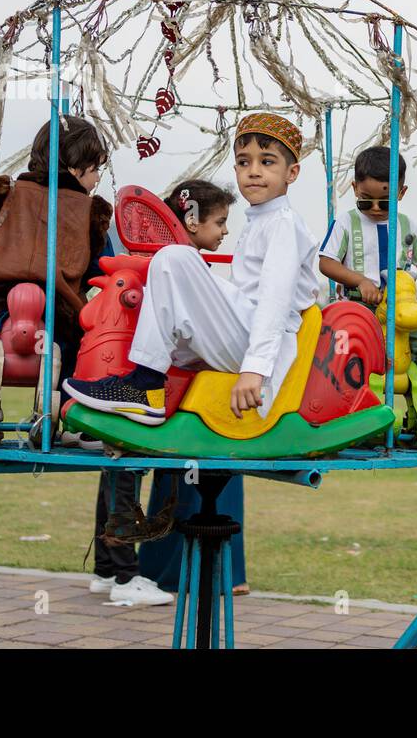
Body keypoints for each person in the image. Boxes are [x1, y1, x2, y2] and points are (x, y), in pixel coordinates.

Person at [64, 112, 320, 424]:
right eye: (243, 162)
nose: (253, 172)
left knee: (175, 258)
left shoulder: (283, 224)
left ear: (291, 173)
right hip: (243, 329)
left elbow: (275, 300)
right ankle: (138, 384)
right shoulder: (261, 220)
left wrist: (254, 369)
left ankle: (145, 386)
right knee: (160, 281)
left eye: (267, 162)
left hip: (257, 341)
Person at [0, 117, 115, 447]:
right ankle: (66, 412)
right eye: (95, 169)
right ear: (76, 167)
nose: (97, 179)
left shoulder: (7, 194)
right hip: (61, 314)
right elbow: (102, 267)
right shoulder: (93, 211)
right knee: (85, 352)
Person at [138, 179, 249, 596]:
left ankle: (206, 572)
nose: (224, 232)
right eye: (220, 222)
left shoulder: (190, 271)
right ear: (190, 219)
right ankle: (188, 572)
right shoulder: (180, 264)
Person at [318, 146, 417, 401]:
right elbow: (327, 262)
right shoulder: (346, 222)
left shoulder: (407, 225)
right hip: (360, 308)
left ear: (401, 193)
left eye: (386, 201)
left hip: (401, 307)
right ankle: (345, 401)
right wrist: (360, 281)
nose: (377, 208)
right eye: (366, 200)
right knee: (340, 351)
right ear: (355, 188)